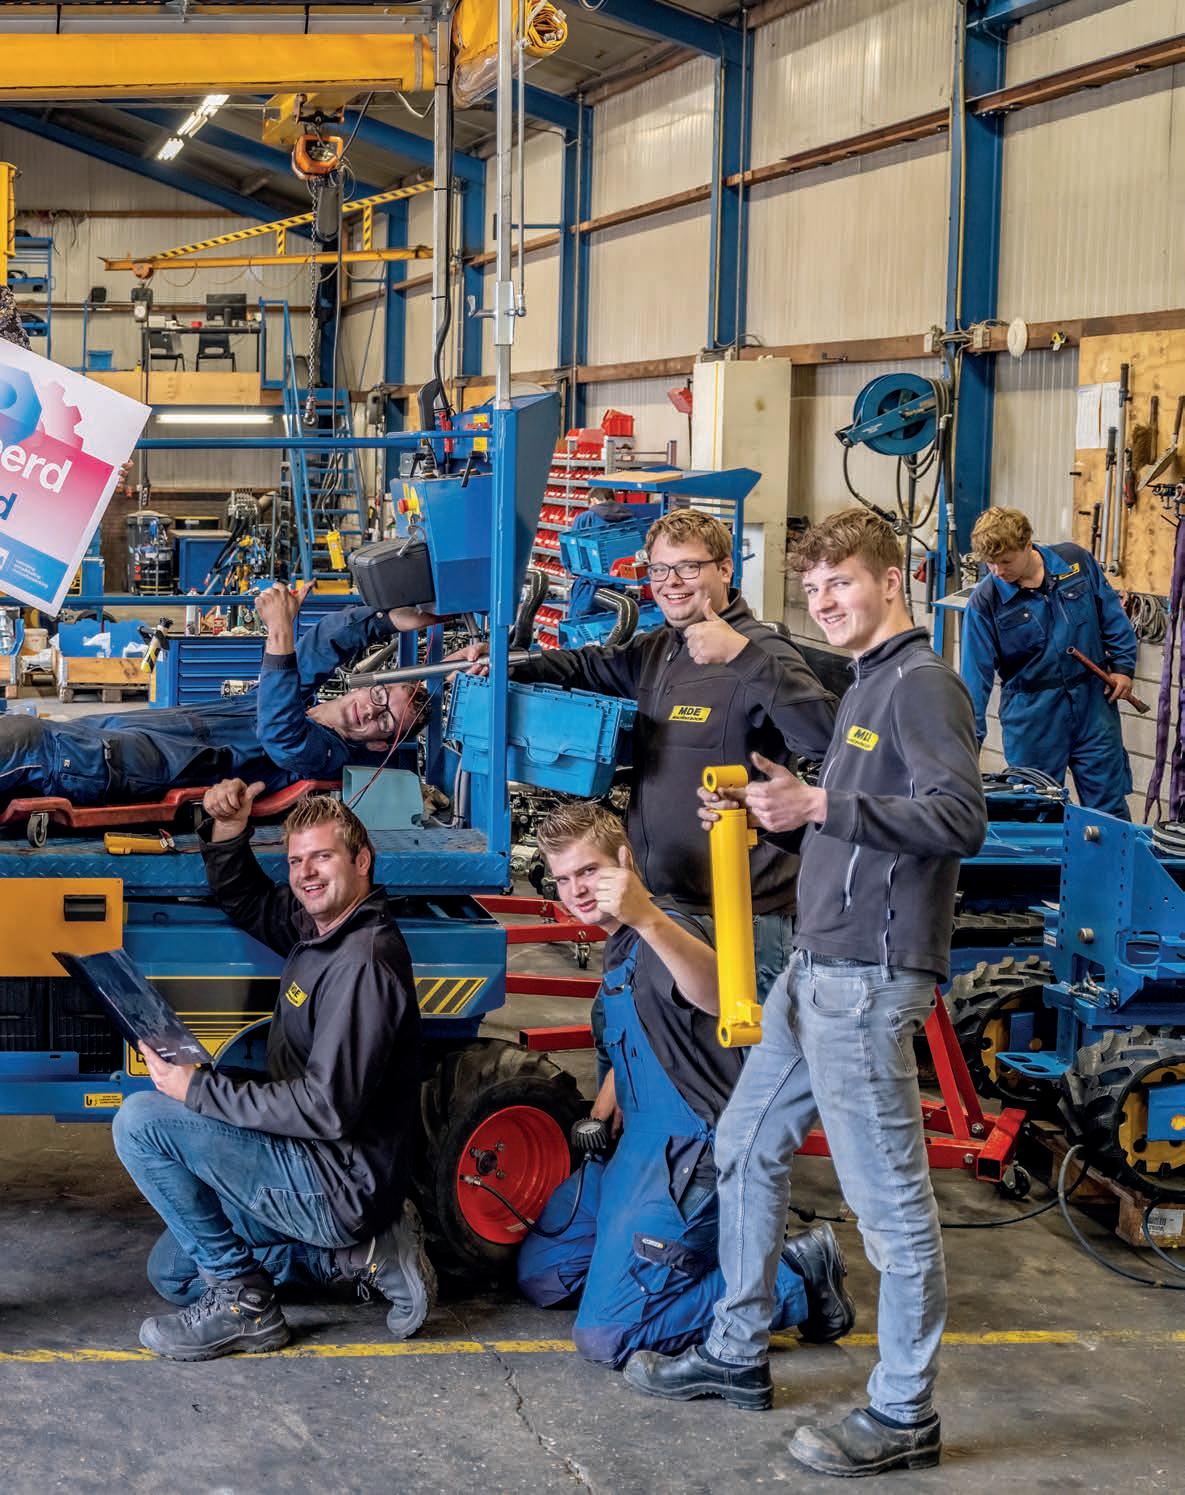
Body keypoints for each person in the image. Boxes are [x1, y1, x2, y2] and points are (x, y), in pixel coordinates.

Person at [623, 510, 987, 1479]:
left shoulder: (923, 684)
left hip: (870, 976)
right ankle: (735, 1349)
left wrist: (820, 800)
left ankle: (904, 1410)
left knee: (890, 1205)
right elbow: (852, 831)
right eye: (815, 587)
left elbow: (960, 816)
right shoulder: (866, 679)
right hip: (817, 967)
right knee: (743, 1147)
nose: (826, 602)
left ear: (893, 580)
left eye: (843, 583)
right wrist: (772, 815)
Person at [516, 800, 853, 1375]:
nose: (577, 890)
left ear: (625, 861)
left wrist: (648, 918)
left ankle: (793, 1275)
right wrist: (605, 1102)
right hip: (636, 1149)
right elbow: (645, 1037)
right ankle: (686, 1263)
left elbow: (722, 994)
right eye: (564, 878)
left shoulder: (665, 931)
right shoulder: (619, 946)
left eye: (590, 871)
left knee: (608, 1334)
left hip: (689, 1158)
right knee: (546, 1271)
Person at [111, 786, 431, 1360]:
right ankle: (358, 1256)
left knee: (139, 1122)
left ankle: (245, 1304)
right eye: (296, 860)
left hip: (337, 1181)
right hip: (307, 1158)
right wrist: (230, 830)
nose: (306, 874)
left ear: (361, 860)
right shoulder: (324, 928)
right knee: (174, 1273)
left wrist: (201, 1090)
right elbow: (253, 902)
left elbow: (325, 1108)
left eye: (322, 857)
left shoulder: (362, 965)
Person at [496, 508, 837, 1002]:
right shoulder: (661, 649)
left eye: (688, 567)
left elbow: (824, 734)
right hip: (666, 906)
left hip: (743, 919)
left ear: (725, 569)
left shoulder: (761, 650)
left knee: (745, 1050)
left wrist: (743, 657)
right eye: (659, 569)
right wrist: (507, 663)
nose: (671, 582)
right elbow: (589, 666)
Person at [0, 582, 425, 809]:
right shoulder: (293, 704)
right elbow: (323, 643)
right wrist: (387, 619)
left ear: (379, 744)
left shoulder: (323, 754)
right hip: (85, 740)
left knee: (22, 737)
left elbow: (281, 735)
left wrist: (279, 630)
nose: (371, 711)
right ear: (367, 685)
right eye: (380, 696)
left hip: (92, 762)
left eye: (385, 721)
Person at [958, 505, 1138, 817]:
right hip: (1032, 718)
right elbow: (974, 680)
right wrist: (965, 749)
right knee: (1035, 811)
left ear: (1028, 545)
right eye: (990, 563)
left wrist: (1123, 667)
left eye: (1005, 561)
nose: (997, 571)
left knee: (1109, 808)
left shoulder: (1076, 563)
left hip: (1093, 706)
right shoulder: (985, 602)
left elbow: (1111, 615)